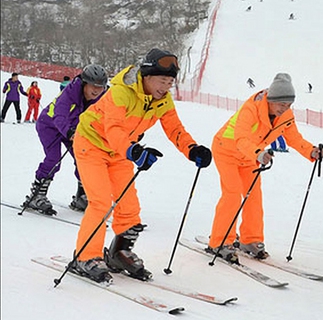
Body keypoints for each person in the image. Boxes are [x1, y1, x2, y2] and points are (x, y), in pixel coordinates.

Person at [70, 49, 212, 283]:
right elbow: (113, 128)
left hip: (120, 151)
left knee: (129, 206)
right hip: (91, 143)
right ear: (146, 76)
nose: (165, 86)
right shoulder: (122, 92)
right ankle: (86, 256)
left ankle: (119, 252)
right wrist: (133, 151)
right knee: (101, 201)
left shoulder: (162, 100)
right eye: (162, 80)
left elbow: (175, 128)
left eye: (170, 82)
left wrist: (192, 149)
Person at [206, 73, 323, 262]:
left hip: (250, 157)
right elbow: (241, 138)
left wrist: (311, 151)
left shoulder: (285, 114)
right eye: (281, 104)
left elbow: (293, 137)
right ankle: (219, 241)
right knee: (232, 194)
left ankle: (250, 240)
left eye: (288, 105)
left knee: (254, 197)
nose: (284, 109)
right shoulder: (251, 108)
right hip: (227, 150)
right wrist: (259, 154)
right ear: (270, 99)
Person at [23, 65, 108, 215]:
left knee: (83, 158)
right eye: (93, 86)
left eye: (100, 87)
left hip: (74, 129)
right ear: (84, 83)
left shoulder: (102, 97)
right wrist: (69, 132)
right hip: (49, 125)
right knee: (54, 158)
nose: (96, 90)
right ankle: (37, 195)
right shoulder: (70, 92)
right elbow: (60, 115)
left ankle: (81, 196)